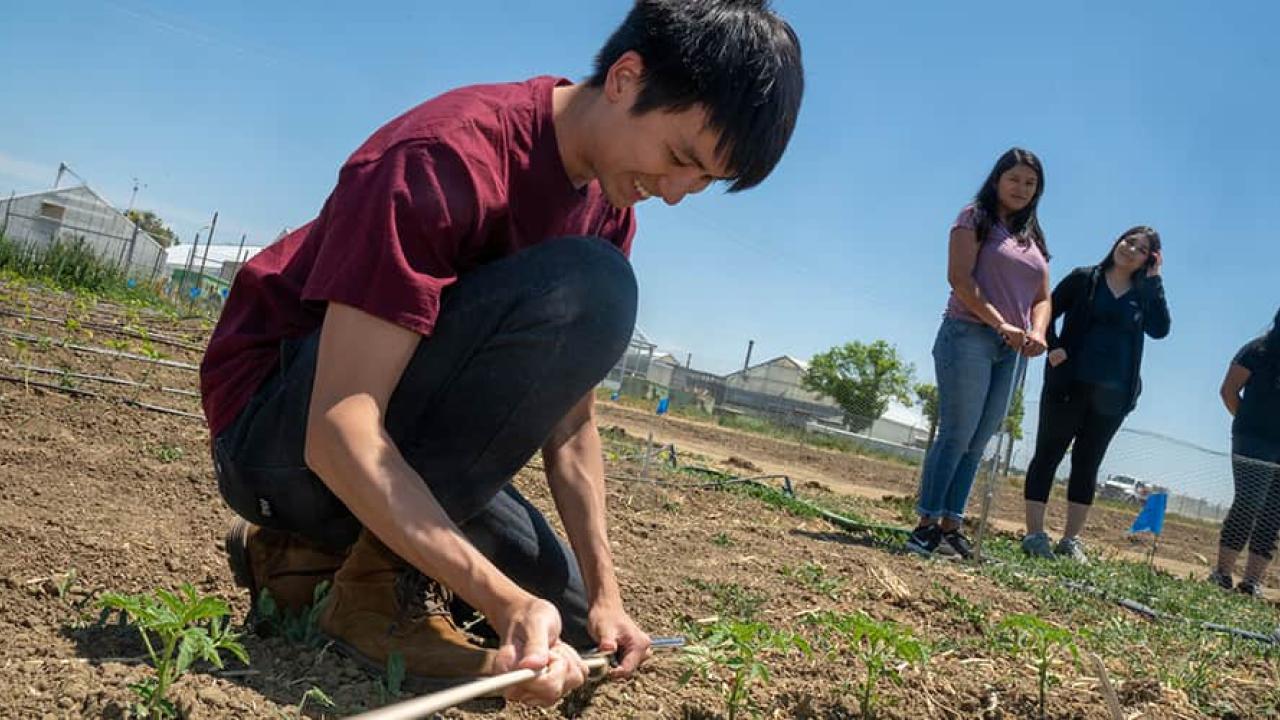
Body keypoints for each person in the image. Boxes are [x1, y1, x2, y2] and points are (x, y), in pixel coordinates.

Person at [199, 0, 803, 706]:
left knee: (577, 631)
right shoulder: (445, 156)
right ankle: (361, 592)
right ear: (625, 79)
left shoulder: (606, 208)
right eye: (678, 158)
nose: (673, 194)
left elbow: (570, 425)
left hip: (405, 438)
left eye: (702, 182)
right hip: (280, 438)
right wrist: (500, 599)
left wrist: (606, 596)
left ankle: (303, 559)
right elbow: (338, 425)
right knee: (598, 287)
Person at [906, 148, 1052, 559]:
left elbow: (1043, 296)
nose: (1021, 188)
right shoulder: (974, 217)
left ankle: (953, 526)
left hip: (1013, 350)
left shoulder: (1033, 236)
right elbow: (959, 279)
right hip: (968, 334)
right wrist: (997, 321)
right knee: (957, 432)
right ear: (996, 180)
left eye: (1030, 183)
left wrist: (1037, 331)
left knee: (979, 440)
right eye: (1014, 179)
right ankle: (926, 526)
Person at [1020, 227, 1170, 562]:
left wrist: (1154, 280)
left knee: (1087, 464)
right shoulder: (1084, 279)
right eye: (1128, 241)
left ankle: (1071, 540)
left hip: (1112, 399)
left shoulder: (1143, 294)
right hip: (1068, 387)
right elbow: (1044, 311)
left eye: (1142, 249)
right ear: (1116, 241)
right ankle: (1034, 534)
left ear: (1150, 259)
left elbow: (1160, 330)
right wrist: (1053, 347)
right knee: (1048, 455)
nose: (1131, 249)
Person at [1210, 308, 1280, 597]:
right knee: (1249, 502)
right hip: (1253, 441)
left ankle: (1252, 582)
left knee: (1273, 512)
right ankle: (1222, 573)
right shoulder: (1258, 350)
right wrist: (1247, 423)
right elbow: (1228, 390)